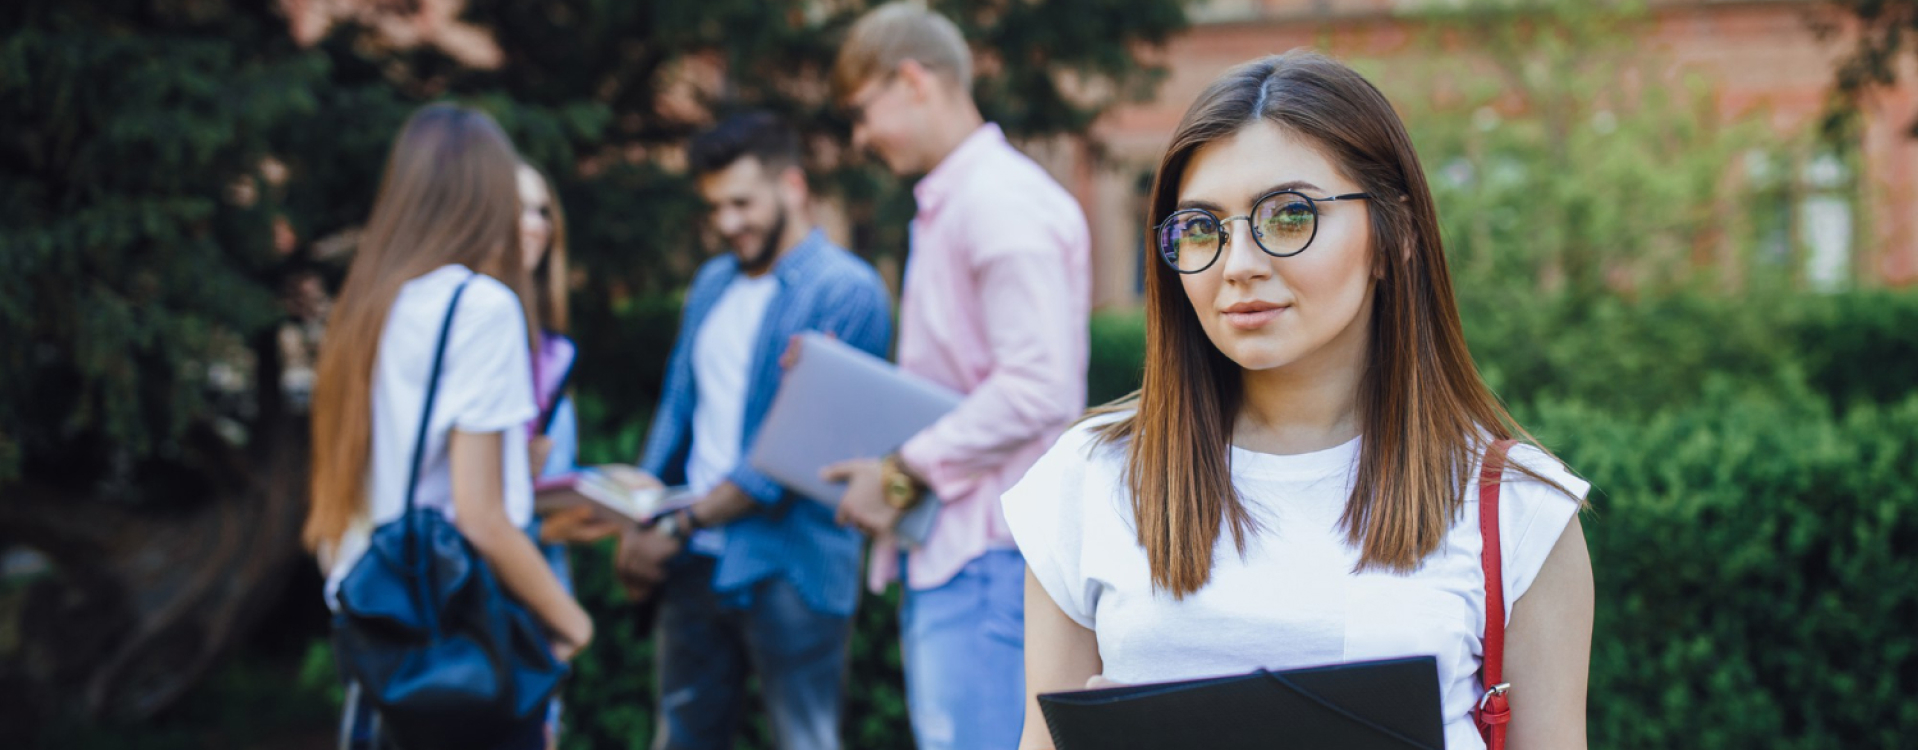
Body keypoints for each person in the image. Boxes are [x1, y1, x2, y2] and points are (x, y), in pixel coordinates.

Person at [1002, 51, 1594, 750]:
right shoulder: (1089, 480)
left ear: (1393, 235)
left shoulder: (1515, 509)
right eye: (1201, 228)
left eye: (1288, 216)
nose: (1239, 264)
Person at [827, 5, 1092, 749]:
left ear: (912, 80)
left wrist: (904, 470)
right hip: (967, 553)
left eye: (861, 111)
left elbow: (1039, 386)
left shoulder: (998, 203)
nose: (860, 138)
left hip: (988, 557)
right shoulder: (964, 200)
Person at [305, 103, 593, 750]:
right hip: (458, 633)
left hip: (373, 630)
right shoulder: (481, 308)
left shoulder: (365, 306)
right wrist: (569, 620)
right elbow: (481, 515)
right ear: (481, 196)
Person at [617, 111, 893, 750]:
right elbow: (677, 409)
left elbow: (797, 450)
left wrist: (680, 523)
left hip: (790, 566)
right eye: (715, 207)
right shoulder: (712, 282)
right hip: (694, 563)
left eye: (742, 203)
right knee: (682, 738)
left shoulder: (846, 291)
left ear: (792, 186)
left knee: (806, 740)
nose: (727, 223)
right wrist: (641, 515)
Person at [518, 160, 582, 750]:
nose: (534, 225)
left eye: (542, 210)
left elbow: (551, 508)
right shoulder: (467, 330)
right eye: (518, 208)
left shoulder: (553, 352)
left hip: (538, 583)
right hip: (472, 593)